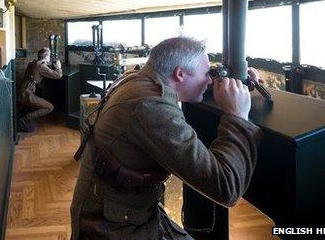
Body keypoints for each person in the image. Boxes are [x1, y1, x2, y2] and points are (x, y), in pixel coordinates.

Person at [70, 37, 263, 239]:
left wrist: (235, 84)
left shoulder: (138, 79)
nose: (209, 80)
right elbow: (226, 187)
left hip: (128, 210)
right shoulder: (150, 107)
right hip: (113, 226)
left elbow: (191, 85)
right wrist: (237, 116)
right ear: (179, 74)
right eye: (207, 74)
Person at [17, 47, 63, 132]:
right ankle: (23, 121)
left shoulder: (32, 63)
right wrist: (58, 67)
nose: (50, 58)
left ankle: (23, 117)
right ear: (46, 56)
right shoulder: (41, 66)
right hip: (27, 95)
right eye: (49, 55)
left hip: (23, 92)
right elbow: (58, 75)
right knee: (50, 107)